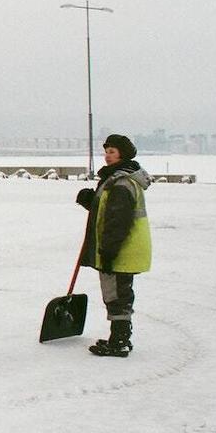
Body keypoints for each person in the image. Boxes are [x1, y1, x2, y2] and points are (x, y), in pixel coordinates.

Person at [75, 134, 152, 358]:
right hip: (124, 248)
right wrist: (91, 201)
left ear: (123, 155)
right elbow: (109, 212)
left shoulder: (121, 183)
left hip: (121, 249)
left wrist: (108, 251)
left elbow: (118, 221)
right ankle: (120, 338)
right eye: (106, 151)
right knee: (120, 293)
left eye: (112, 152)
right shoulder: (117, 180)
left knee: (116, 294)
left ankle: (119, 342)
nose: (107, 156)